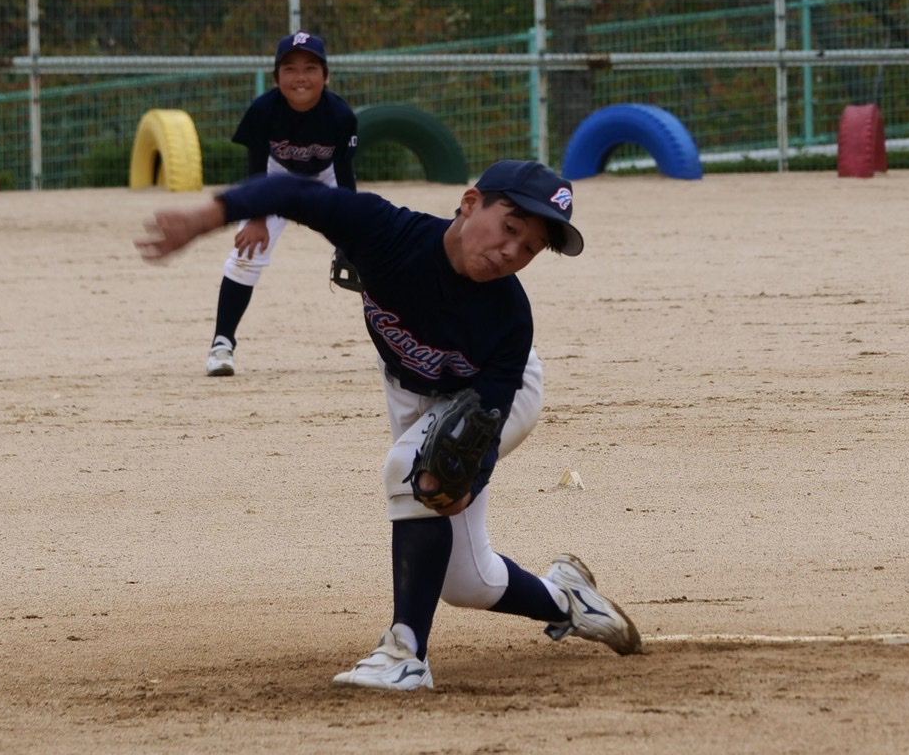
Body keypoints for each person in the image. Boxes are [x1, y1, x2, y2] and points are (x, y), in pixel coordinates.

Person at [136, 159, 642, 690]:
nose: (511, 251)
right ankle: (566, 599)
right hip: (410, 385)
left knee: (411, 469)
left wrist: (467, 482)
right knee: (466, 581)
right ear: (471, 204)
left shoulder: (509, 317)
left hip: (495, 397)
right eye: (510, 227)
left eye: (531, 248)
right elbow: (294, 191)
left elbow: (490, 416)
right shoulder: (386, 231)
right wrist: (205, 217)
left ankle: (406, 654)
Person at [204, 30, 358, 377]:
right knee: (246, 254)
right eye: (290, 69)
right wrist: (257, 218)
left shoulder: (340, 115)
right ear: (276, 78)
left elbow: (345, 174)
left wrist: (353, 227)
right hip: (275, 175)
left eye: (310, 68)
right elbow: (256, 167)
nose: (300, 77)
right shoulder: (263, 110)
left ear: (326, 76)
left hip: (325, 177)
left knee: (370, 253)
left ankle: (395, 345)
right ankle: (221, 344)